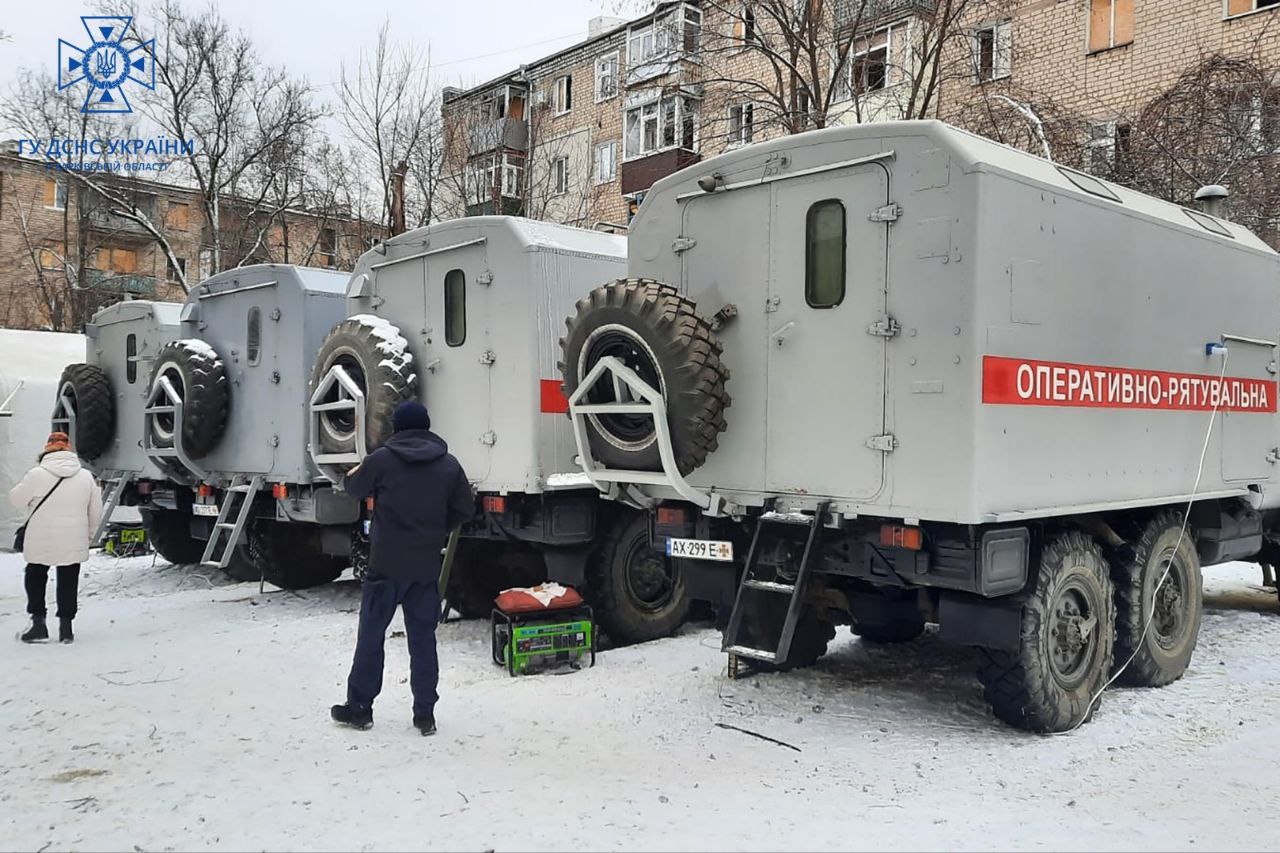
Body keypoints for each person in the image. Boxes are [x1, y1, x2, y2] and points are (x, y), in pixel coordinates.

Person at [331, 401, 473, 736]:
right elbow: (464, 509)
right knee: (423, 640)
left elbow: (353, 489)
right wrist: (438, 529)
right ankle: (425, 715)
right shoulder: (449, 465)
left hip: (385, 566)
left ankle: (360, 709)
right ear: (426, 427)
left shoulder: (383, 460)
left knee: (371, 637)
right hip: (424, 568)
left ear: (397, 428)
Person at [8, 432, 103, 644]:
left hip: (40, 535)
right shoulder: (86, 476)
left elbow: (16, 500)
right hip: (73, 536)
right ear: (69, 449)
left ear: (47, 449)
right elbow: (96, 511)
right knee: (68, 577)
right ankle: (66, 628)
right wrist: (87, 536)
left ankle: (38, 623)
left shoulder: (36, 474)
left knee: (35, 574)